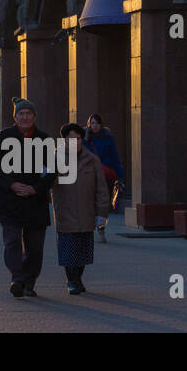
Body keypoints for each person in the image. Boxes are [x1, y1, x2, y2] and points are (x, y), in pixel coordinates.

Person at [0, 98, 56, 298]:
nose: (25, 117)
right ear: (15, 117)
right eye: (21, 114)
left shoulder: (44, 139)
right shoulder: (4, 137)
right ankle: (17, 279)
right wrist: (12, 184)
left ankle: (29, 282)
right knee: (12, 242)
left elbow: (52, 171)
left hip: (35, 201)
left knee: (35, 248)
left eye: (28, 113)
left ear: (34, 117)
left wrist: (35, 189)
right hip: (10, 200)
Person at [51, 122, 110, 295]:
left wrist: (102, 213)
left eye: (77, 138)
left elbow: (101, 189)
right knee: (68, 249)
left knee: (83, 250)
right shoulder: (56, 158)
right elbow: (48, 182)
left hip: (86, 212)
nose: (74, 142)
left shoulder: (92, 160)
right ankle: (72, 281)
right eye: (70, 139)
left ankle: (78, 279)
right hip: (65, 210)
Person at [84, 113, 125, 242]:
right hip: (89, 175)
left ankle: (101, 229)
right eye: (92, 123)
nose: (94, 126)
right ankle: (90, 229)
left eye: (96, 123)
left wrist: (119, 174)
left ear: (101, 124)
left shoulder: (108, 138)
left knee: (103, 204)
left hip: (105, 174)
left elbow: (114, 157)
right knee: (89, 203)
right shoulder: (86, 139)